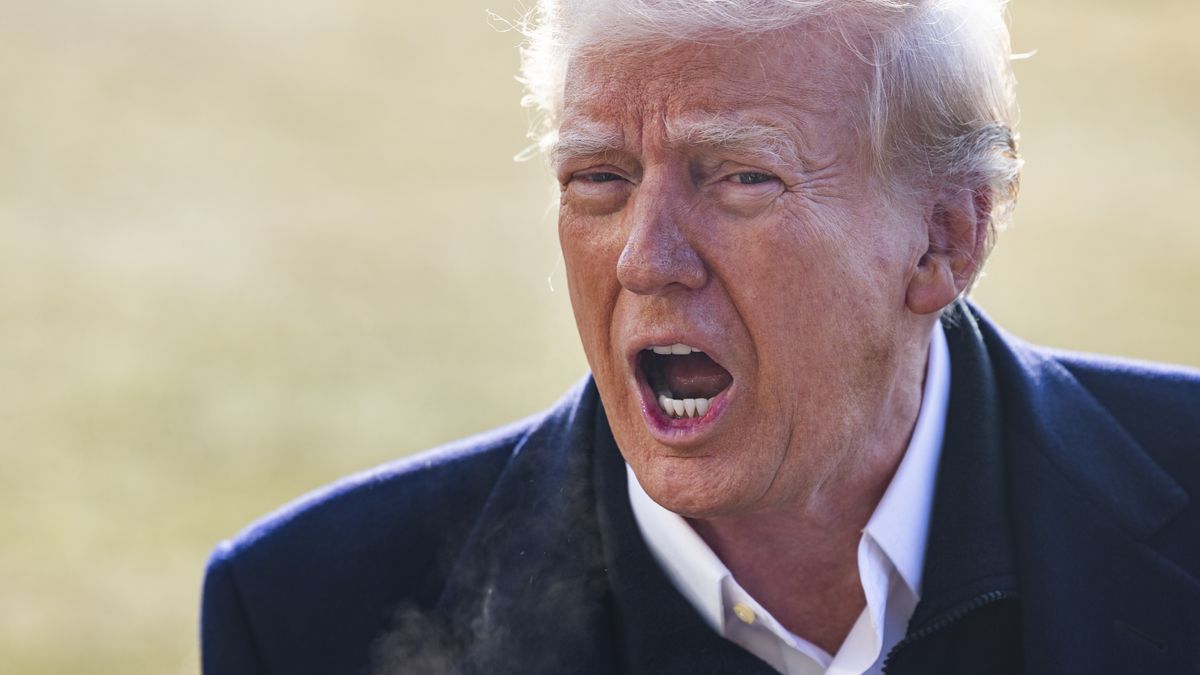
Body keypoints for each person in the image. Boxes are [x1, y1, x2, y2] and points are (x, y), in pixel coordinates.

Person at [200, 1, 1200, 673]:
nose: (646, 258)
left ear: (946, 236)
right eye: (599, 178)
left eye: (739, 178)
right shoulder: (306, 617)